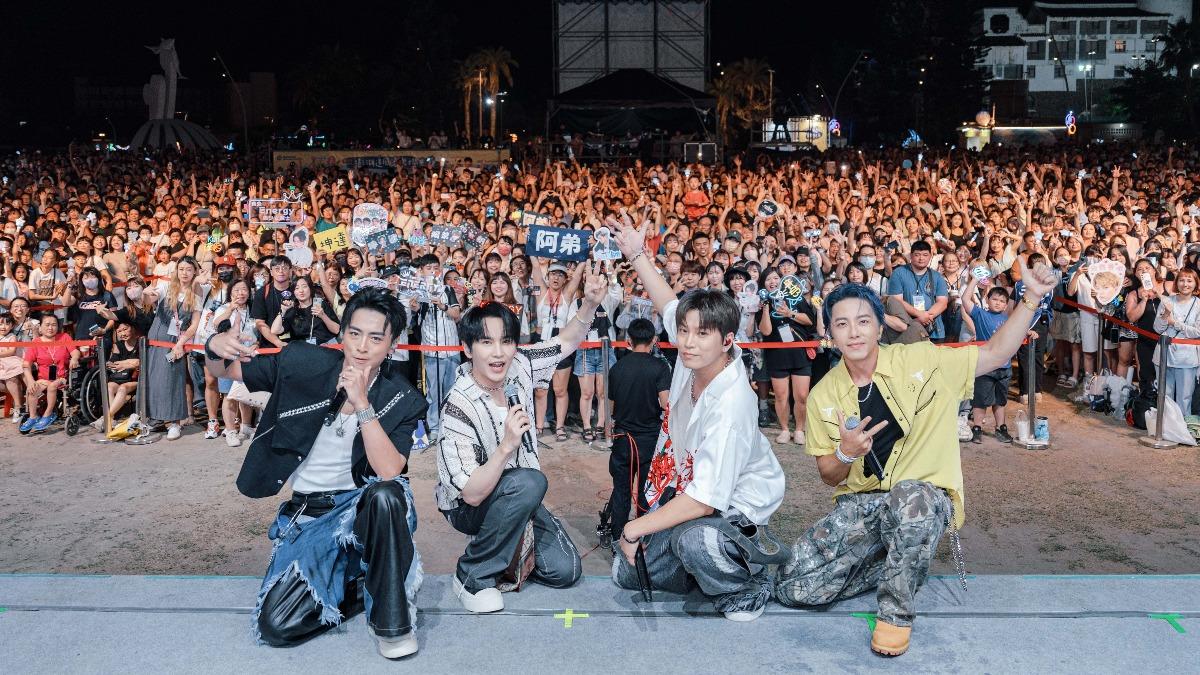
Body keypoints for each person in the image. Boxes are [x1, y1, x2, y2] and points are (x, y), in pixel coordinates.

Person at [774, 256, 1058, 657]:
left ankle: (895, 614)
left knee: (912, 498)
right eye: (842, 324)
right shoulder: (824, 395)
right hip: (865, 505)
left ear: (880, 327)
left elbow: (995, 353)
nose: (853, 332)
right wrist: (845, 452)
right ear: (830, 333)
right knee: (792, 586)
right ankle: (890, 560)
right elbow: (829, 475)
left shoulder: (923, 359)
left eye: (863, 321)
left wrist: (1031, 299)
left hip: (924, 497)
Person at [204, 287, 428, 659]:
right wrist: (214, 344)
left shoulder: (402, 397)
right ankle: (367, 580)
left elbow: (390, 471)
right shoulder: (302, 362)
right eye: (354, 333)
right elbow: (224, 370)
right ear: (342, 332)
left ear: (392, 345)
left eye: (376, 338)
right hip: (308, 515)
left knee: (386, 494)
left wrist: (362, 404)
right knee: (277, 626)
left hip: (362, 510)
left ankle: (392, 624)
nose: (362, 347)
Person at [610, 214, 789, 622]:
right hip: (689, 485)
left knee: (696, 542)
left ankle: (746, 582)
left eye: (702, 334)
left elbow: (707, 500)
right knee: (627, 572)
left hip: (734, 502)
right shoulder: (693, 353)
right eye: (684, 331)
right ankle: (704, 569)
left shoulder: (732, 402)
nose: (688, 342)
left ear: (727, 340)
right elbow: (667, 302)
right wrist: (637, 254)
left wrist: (635, 528)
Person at [435, 267, 608, 613]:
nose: (498, 353)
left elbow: (566, 342)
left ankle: (508, 536)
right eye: (486, 342)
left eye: (506, 341)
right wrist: (505, 447)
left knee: (565, 570)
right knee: (529, 481)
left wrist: (589, 304)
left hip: (517, 493)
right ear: (467, 349)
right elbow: (470, 493)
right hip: (468, 506)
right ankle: (472, 576)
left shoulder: (521, 366)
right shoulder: (458, 405)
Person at [605, 317, 671, 544]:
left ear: (628, 340)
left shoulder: (617, 368)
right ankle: (641, 540)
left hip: (623, 439)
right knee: (645, 492)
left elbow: (611, 407)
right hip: (649, 440)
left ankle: (618, 540)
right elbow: (666, 404)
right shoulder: (660, 367)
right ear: (653, 340)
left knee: (621, 492)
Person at [142, 256, 202, 440]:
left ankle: (175, 422)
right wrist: (145, 293)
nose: (184, 273)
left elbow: (194, 324)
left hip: (175, 343)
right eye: (181, 269)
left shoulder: (196, 293)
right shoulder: (165, 286)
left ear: (194, 272)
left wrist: (180, 344)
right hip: (155, 340)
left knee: (173, 381)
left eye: (189, 270)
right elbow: (149, 299)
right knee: (152, 380)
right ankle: (155, 418)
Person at [1153, 267, 1200, 413]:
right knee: (1164, 395)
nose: (1185, 284)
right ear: (1176, 283)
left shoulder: (1198, 304)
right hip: (1164, 354)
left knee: (1184, 397)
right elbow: (1158, 329)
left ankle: (1182, 425)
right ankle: (1164, 424)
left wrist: (1174, 323)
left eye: (1189, 281)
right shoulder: (1167, 301)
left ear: (1196, 284)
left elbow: (1197, 332)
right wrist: (1165, 314)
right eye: (1181, 280)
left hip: (1187, 357)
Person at [20, 313, 75, 434]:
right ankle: (33, 417)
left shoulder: (64, 337)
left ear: (58, 327)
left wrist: (75, 358)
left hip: (62, 377)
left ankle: (48, 414)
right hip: (44, 379)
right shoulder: (36, 342)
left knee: (52, 386)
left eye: (54, 325)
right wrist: (31, 381)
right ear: (40, 327)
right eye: (47, 324)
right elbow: (26, 365)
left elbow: (75, 352)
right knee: (33, 389)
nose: (50, 328)